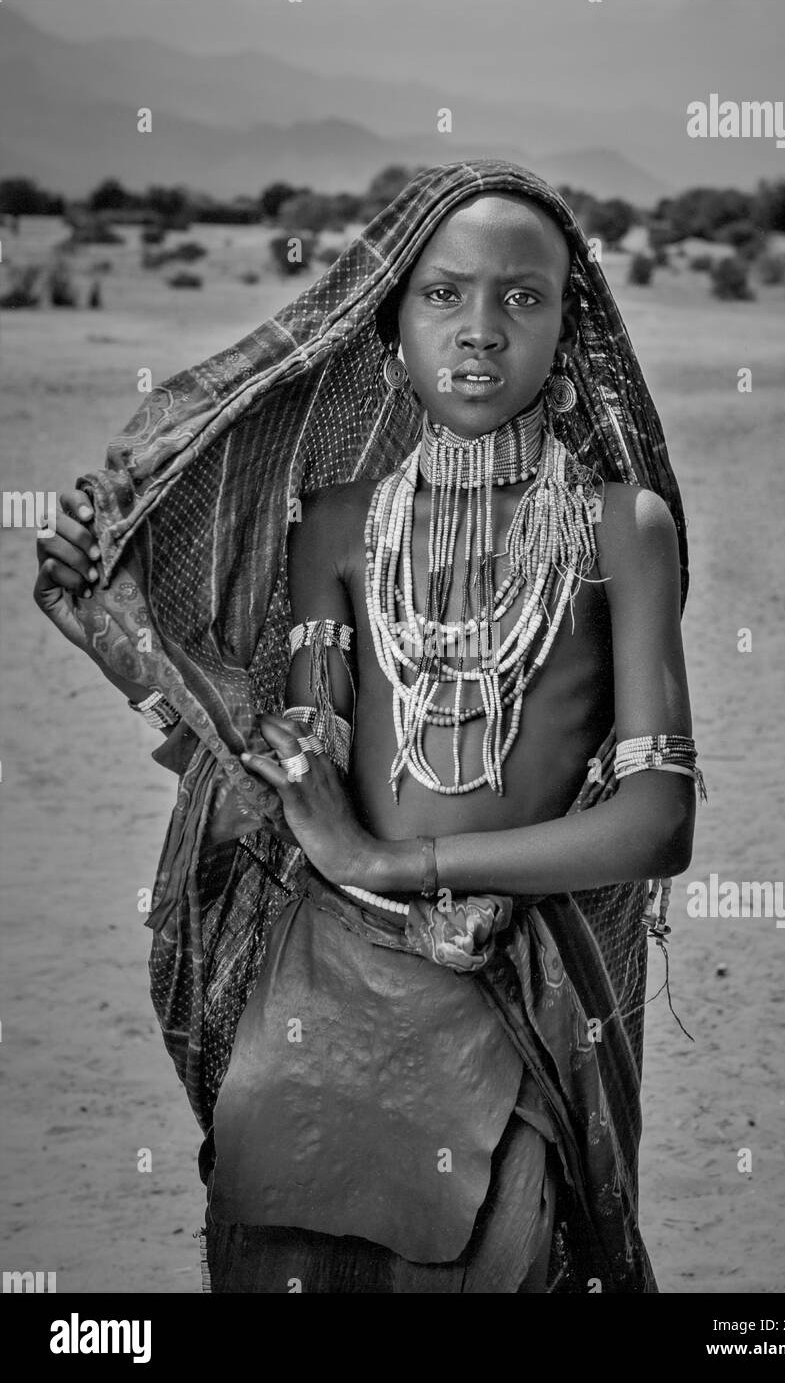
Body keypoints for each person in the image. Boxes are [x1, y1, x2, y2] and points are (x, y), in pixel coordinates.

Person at [33, 160, 704, 1293]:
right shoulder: (337, 529)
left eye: (522, 298)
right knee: (273, 1232)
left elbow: (660, 819)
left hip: (512, 976)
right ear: (387, 328)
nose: (480, 332)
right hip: (321, 974)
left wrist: (404, 860)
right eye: (443, 295)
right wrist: (116, 617)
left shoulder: (619, 529)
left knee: (500, 1245)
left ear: (571, 336)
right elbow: (291, 761)